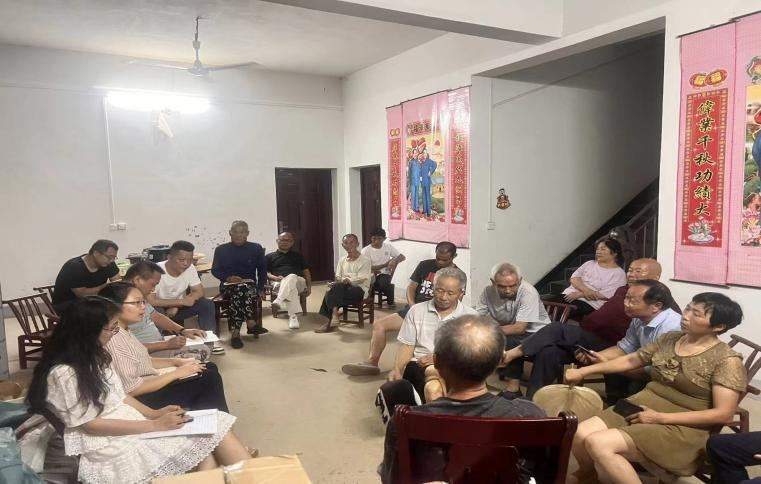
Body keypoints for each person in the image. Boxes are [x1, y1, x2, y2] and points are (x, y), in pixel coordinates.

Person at [25, 297, 251, 484]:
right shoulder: (65, 373)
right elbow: (91, 425)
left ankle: (251, 475)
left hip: (130, 423)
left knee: (212, 433)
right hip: (109, 443)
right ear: (88, 331)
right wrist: (154, 425)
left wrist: (154, 413)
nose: (114, 333)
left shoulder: (95, 355)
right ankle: (253, 476)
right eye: (111, 328)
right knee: (212, 439)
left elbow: (119, 396)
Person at [565, 292, 747, 482]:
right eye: (688, 309)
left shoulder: (727, 361)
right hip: (641, 405)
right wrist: (584, 371)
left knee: (599, 444)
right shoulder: (671, 338)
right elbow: (631, 360)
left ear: (719, 326)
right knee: (580, 433)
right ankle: (589, 474)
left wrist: (659, 418)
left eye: (696, 314)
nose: (686, 316)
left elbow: (724, 414)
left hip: (683, 425)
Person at [378, 315, 546, 484]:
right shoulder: (530, 415)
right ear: (502, 360)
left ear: (436, 362)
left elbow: (392, 479)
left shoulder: (406, 420)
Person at [502, 279, 682, 401]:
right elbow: (624, 347)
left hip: (657, 379)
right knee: (549, 351)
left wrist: (602, 364)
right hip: (627, 359)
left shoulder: (671, 329)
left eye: (632, 301)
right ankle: (533, 402)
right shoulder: (639, 319)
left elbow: (651, 372)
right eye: (626, 298)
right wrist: (596, 356)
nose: (625, 304)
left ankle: (510, 355)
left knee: (557, 329)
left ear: (656, 306)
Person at [99, 282, 230, 411]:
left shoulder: (124, 329)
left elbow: (144, 361)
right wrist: (176, 373)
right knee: (209, 379)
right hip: (142, 397)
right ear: (114, 306)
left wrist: (177, 362)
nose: (143, 307)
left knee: (209, 367)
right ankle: (214, 420)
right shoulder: (113, 338)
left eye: (143, 302)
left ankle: (206, 417)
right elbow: (132, 390)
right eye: (137, 302)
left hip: (148, 382)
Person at [342, 242, 458, 376]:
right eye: (438, 258)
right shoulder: (425, 265)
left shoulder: (457, 275)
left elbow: (455, 302)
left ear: (454, 256)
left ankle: (406, 370)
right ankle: (372, 363)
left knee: (418, 344)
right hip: (414, 310)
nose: (440, 262)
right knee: (379, 325)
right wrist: (413, 307)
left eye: (445, 260)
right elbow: (411, 287)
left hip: (434, 315)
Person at [380, 267, 477, 404]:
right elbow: (407, 346)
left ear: (461, 293)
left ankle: (437, 413)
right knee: (437, 385)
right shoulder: (416, 311)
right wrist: (397, 369)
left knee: (433, 389)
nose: (443, 297)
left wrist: (442, 359)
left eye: (450, 293)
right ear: (432, 287)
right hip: (419, 364)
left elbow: (473, 353)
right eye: (439, 290)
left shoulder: (471, 317)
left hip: (456, 365)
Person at [476, 262, 550, 399]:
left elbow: (519, 328)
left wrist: (487, 331)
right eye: (502, 286)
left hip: (538, 332)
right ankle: (476, 384)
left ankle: (513, 389)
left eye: (513, 285)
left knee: (509, 340)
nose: (508, 290)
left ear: (519, 281)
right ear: (493, 282)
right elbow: (476, 316)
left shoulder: (528, 292)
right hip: (510, 329)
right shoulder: (487, 292)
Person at [147, 240, 225, 355]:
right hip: (158, 310)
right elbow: (151, 301)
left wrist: (177, 305)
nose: (186, 264)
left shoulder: (190, 268)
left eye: (190, 260)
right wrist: (180, 302)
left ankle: (209, 342)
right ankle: (158, 345)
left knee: (206, 304)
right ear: (169, 257)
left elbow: (199, 292)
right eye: (182, 260)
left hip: (177, 308)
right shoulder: (156, 270)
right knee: (155, 310)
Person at [123, 261, 205, 354]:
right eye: (153, 285)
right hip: (144, 355)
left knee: (202, 352)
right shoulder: (119, 303)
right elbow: (126, 348)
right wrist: (166, 345)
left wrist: (183, 331)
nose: (153, 289)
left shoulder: (135, 295)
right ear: (137, 280)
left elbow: (155, 316)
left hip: (159, 347)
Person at [211, 220, 268, 349]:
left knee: (241, 290)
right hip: (227, 285)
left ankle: (235, 334)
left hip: (250, 285)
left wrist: (260, 288)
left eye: (242, 232)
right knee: (240, 290)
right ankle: (250, 322)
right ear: (230, 233)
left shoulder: (256, 248)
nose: (238, 235)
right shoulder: (221, 249)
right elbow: (215, 270)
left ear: (247, 233)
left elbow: (262, 270)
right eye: (235, 232)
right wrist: (228, 278)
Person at [315, 234, 372, 333]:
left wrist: (348, 280)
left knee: (330, 293)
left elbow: (362, 279)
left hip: (359, 290)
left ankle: (332, 318)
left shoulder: (365, 260)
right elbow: (338, 277)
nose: (349, 245)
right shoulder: (342, 260)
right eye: (346, 243)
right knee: (335, 288)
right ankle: (334, 316)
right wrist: (337, 282)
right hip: (343, 289)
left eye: (351, 242)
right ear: (342, 245)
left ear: (357, 244)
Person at [561, 238, 627, 320]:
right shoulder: (589, 263)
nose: (598, 252)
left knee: (558, 312)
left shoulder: (619, 274)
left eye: (603, 249)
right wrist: (586, 291)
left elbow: (606, 295)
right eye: (597, 249)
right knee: (547, 307)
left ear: (614, 253)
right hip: (567, 296)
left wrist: (580, 294)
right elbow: (574, 279)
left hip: (590, 304)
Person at [52, 239, 122, 314]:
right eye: (109, 257)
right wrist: (106, 287)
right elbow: (82, 294)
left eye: (114, 258)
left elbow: (118, 284)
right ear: (96, 253)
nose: (111, 260)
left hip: (93, 301)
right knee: (102, 310)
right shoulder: (74, 266)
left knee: (120, 305)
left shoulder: (108, 263)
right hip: (68, 303)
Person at [266, 232, 312, 330]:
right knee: (292, 289)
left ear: (292, 242)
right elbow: (266, 273)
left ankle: (279, 299)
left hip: (299, 282)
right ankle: (293, 316)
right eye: (282, 240)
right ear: (277, 241)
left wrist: (309, 287)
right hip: (278, 283)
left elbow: (306, 272)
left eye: (288, 240)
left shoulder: (298, 255)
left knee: (292, 276)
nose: (285, 242)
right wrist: (275, 278)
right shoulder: (269, 256)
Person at [361, 227, 405, 307]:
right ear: (371, 238)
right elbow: (368, 267)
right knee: (369, 282)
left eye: (379, 238)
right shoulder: (365, 250)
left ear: (384, 239)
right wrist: (385, 264)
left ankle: (389, 301)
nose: (376, 241)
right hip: (370, 273)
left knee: (383, 283)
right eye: (374, 238)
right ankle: (369, 300)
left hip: (384, 273)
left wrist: (394, 260)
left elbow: (402, 257)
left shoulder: (388, 247)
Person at [420, 151, 437, 217]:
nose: (424, 155)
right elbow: (421, 171)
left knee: (427, 196)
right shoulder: (422, 162)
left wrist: (431, 171)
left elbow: (435, 164)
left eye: (425, 154)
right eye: (423, 154)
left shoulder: (429, 161)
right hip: (423, 182)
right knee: (424, 196)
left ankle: (429, 211)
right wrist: (420, 177)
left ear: (427, 154)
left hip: (427, 181)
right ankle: (425, 210)